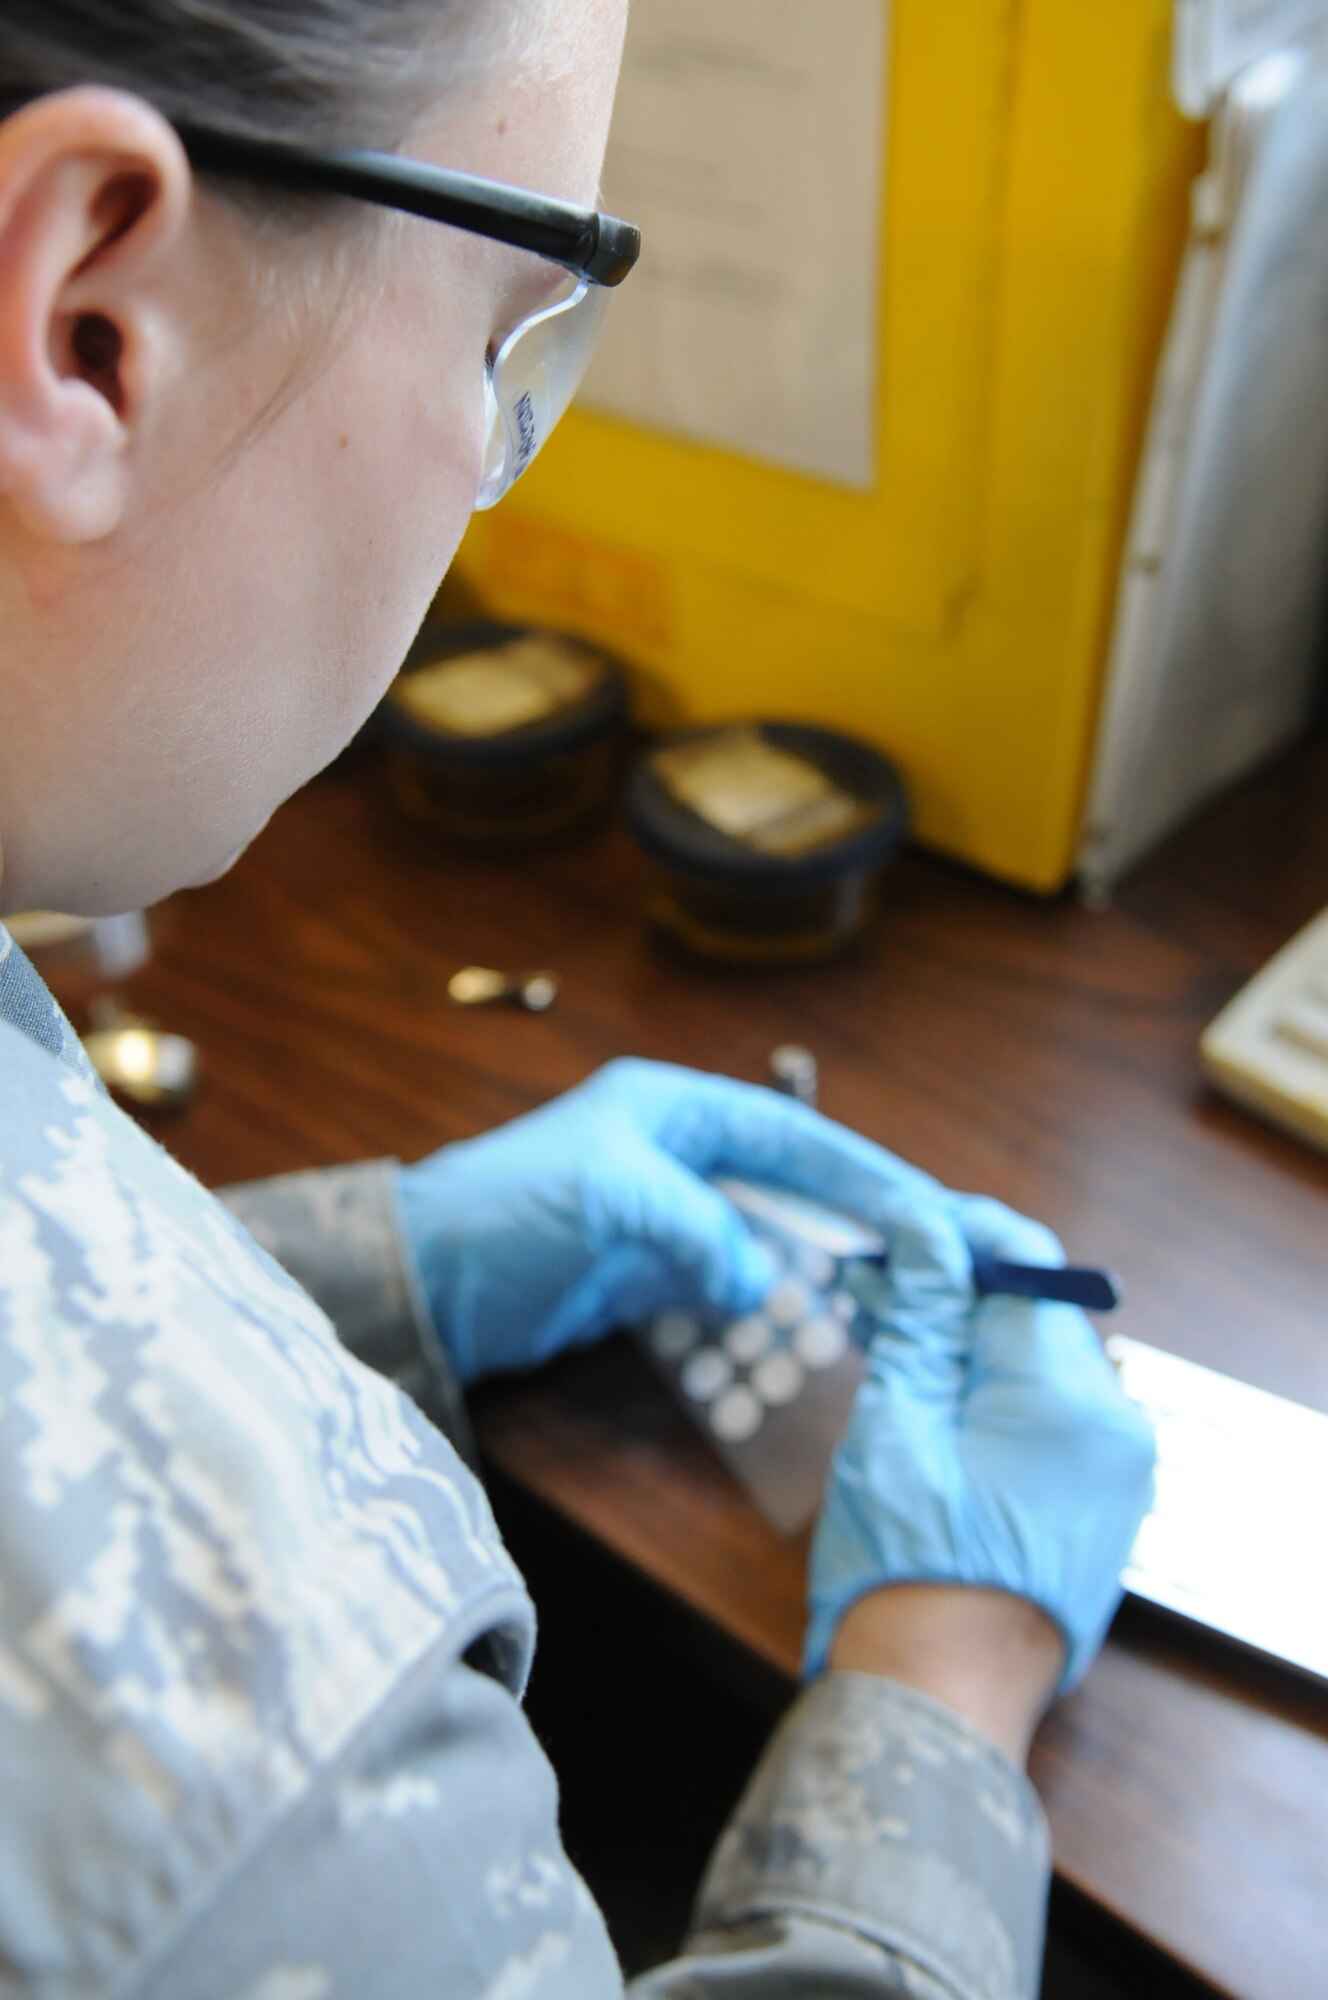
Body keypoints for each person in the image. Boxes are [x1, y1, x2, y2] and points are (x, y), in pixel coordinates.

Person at [0, 5, 1156, 1996]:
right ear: (86, 323)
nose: (488, 480)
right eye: (500, 338)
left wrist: (373, 1270)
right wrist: (938, 1689)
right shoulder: (262, 1773)